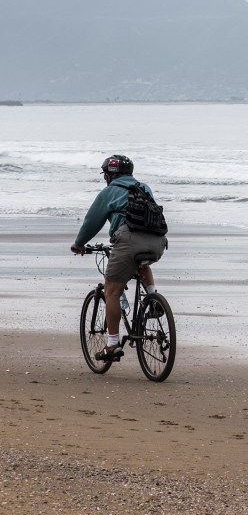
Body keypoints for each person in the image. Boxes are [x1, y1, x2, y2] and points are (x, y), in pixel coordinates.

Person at [71, 154, 167, 362]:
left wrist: (79, 244)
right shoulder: (144, 187)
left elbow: (92, 222)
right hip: (157, 242)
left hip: (128, 241)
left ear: (108, 175)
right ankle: (153, 299)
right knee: (141, 264)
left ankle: (112, 344)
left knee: (111, 291)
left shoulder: (109, 192)